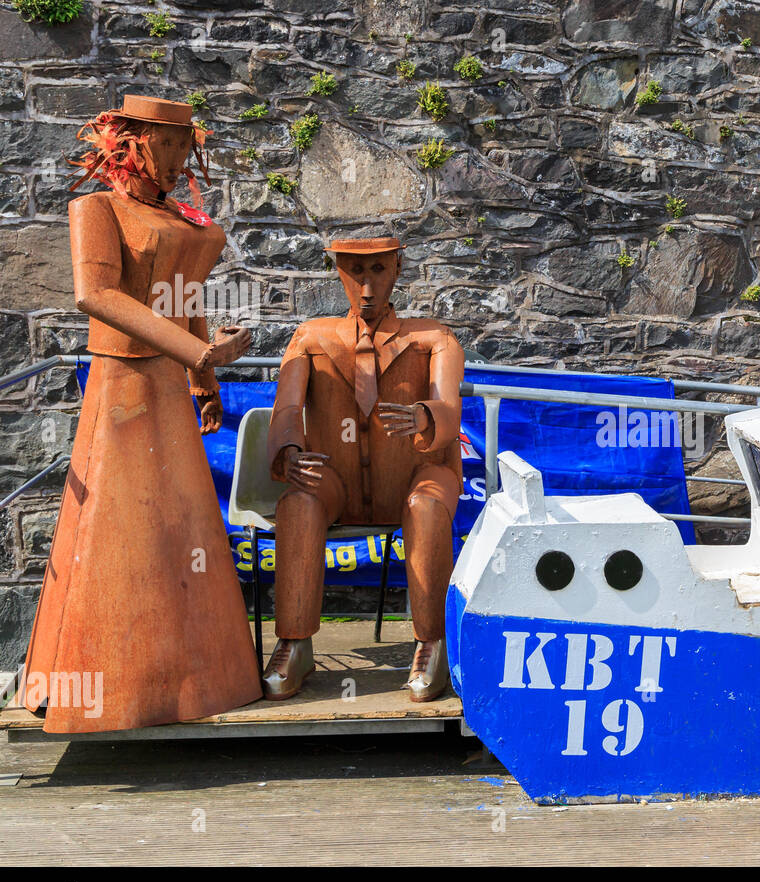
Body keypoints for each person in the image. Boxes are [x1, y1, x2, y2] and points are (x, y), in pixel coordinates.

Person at [22, 95, 262, 732]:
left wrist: (204, 379)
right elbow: (95, 294)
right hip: (123, 390)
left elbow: (185, 296)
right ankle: (108, 689)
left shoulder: (181, 217)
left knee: (179, 533)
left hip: (169, 395)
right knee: (118, 534)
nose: (180, 157)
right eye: (169, 143)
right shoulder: (98, 209)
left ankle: (199, 678)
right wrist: (198, 354)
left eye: (187, 144)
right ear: (130, 143)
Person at [262, 237, 464, 702]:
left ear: (397, 269)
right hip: (340, 478)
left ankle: (432, 642)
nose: (367, 288)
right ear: (339, 273)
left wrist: (425, 415)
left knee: (427, 505)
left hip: (417, 470)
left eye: (377, 271)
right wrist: (288, 450)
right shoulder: (310, 337)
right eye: (355, 273)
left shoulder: (434, 337)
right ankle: (294, 643)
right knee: (299, 502)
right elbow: (286, 407)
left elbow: (449, 406)